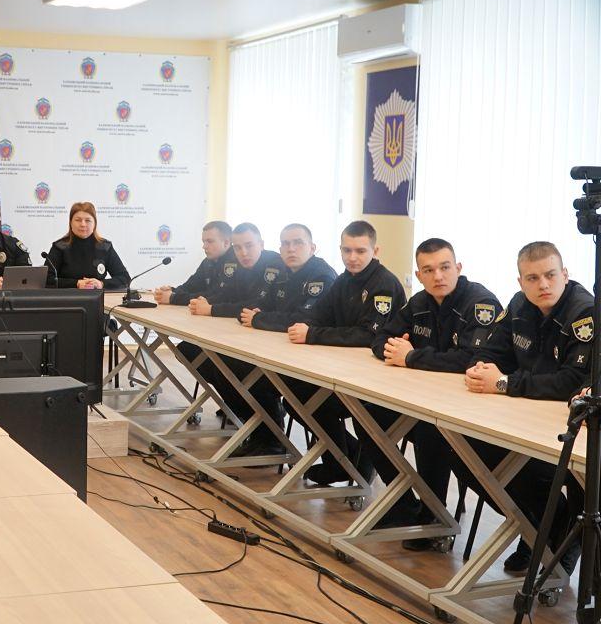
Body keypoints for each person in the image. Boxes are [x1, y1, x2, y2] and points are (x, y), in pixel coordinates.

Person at [460, 241, 590, 574]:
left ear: (565, 274)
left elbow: (572, 381)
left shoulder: (584, 313)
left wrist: (504, 383)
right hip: (526, 418)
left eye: (550, 275)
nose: (543, 284)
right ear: (520, 282)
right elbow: (491, 353)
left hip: (569, 427)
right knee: (468, 447)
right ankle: (538, 527)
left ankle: (558, 537)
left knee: (558, 472)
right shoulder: (519, 304)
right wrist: (479, 370)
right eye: (532, 278)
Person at [369, 238, 504, 549]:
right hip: (425, 397)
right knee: (368, 411)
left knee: (428, 427)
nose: (438, 276)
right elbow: (381, 338)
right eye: (428, 270)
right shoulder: (419, 302)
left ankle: (434, 516)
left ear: (458, 268)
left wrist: (411, 356)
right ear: (419, 276)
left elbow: (472, 360)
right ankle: (403, 502)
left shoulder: (481, 303)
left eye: (445, 267)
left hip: (469, 407)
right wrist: (397, 350)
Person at [284, 220, 407, 492]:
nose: (352, 257)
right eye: (346, 250)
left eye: (360, 251)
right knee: (295, 395)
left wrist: (313, 335)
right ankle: (344, 460)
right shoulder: (344, 280)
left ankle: (354, 461)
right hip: (343, 370)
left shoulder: (384, 284)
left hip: (375, 381)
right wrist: (304, 326)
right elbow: (317, 315)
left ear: (375, 251)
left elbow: (367, 335)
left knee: (314, 400)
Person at [174, 223, 287, 453]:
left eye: (249, 246)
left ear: (262, 244)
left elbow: (257, 304)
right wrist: (191, 299)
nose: (243, 253)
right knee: (190, 350)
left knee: (230, 363)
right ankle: (244, 411)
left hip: (275, 342)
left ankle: (269, 432)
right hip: (247, 334)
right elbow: (223, 294)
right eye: (238, 248)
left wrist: (212, 309)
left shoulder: (274, 265)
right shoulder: (238, 266)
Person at [44, 202, 131, 289]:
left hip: (98, 296)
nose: (83, 224)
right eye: (78, 220)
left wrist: (101, 284)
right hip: (67, 296)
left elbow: (125, 278)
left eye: (88, 220)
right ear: (70, 223)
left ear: (94, 224)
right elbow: (46, 279)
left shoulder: (105, 247)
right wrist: (76, 283)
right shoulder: (59, 247)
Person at [154, 221, 237, 305]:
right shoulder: (207, 262)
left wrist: (173, 298)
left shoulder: (235, 261)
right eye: (204, 242)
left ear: (226, 243)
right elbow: (190, 286)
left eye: (210, 241)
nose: (204, 246)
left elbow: (218, 296)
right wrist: (172, 291)